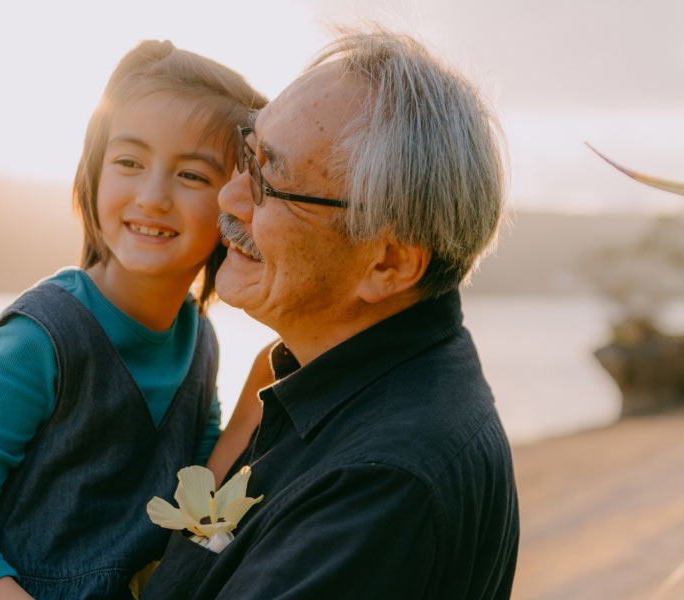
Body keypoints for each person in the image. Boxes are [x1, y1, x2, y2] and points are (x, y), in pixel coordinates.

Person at [139, 28, 519, 599]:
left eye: (271, 179)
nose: (230, 197)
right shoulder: (326, 378)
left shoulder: (380, 484)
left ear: (388, 263)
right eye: (249, 153)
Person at [0, 40, 266, 600]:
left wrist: (260, 392)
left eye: (192, 175)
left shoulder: (200, 341)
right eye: (129, 162)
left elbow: (194, 506)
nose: (151, 196)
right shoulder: (41, 338)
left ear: (236, 203)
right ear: (92, 172)